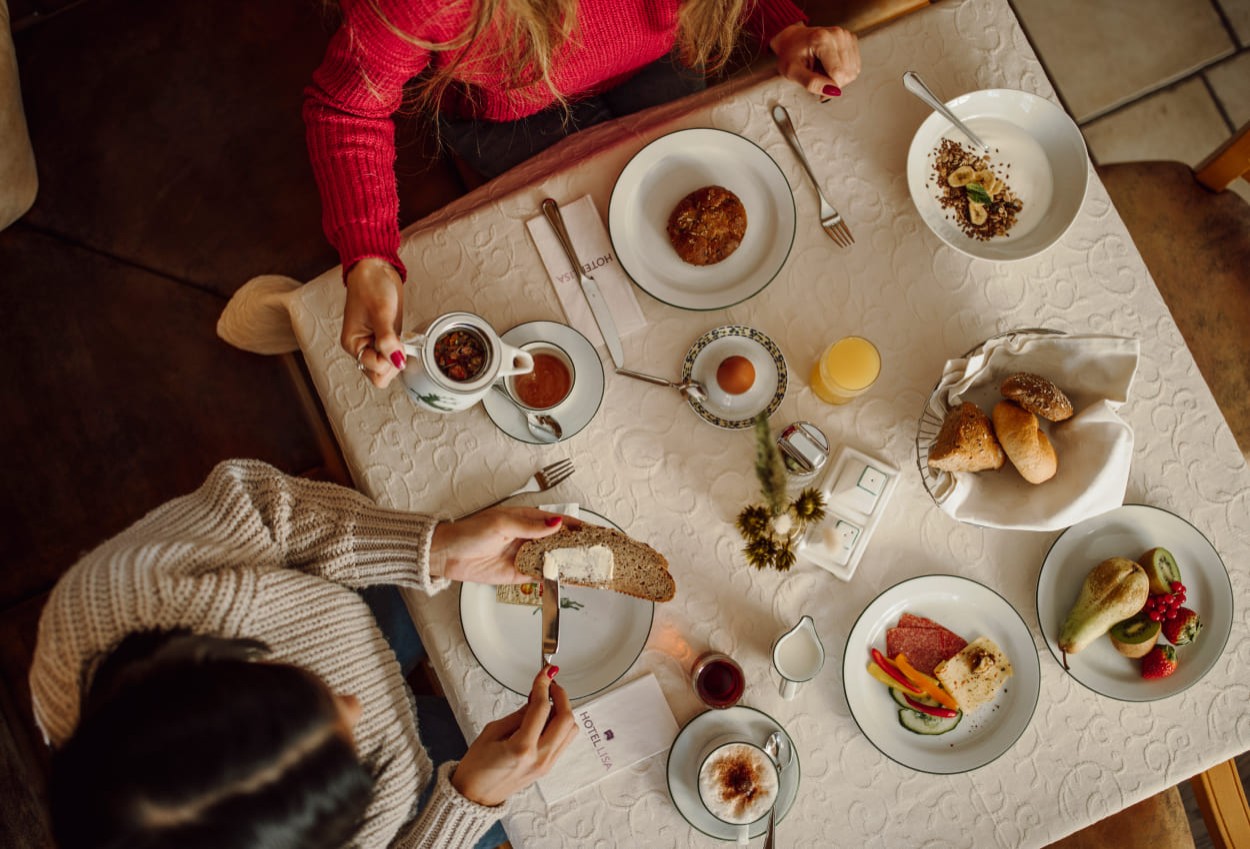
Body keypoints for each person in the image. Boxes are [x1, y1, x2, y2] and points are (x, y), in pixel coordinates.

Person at [303, 0, 863, 389]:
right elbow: (347, 106)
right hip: (508, 115)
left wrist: (785, 30)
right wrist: (370, 256)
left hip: (660, 58)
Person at [30, 459, 579, 849]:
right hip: (421, 790)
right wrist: (466, 800)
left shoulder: (111, 604)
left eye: (289, 678)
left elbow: (264, 510)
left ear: (205, 666)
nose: (355, 708)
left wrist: (435, 549)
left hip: (333, 598)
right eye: (345, 754)